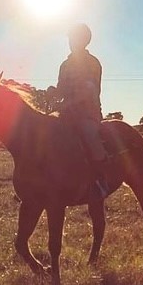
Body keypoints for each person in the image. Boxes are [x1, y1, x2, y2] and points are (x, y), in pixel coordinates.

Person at [50, 23, 113, 198]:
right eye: (70, 38)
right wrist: (53, 92)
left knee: (89, 134)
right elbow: (61, 89)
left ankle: (101, 180)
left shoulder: (93, 63)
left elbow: (91, 90)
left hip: (87, 113)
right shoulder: (65, 65)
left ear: (85, 40)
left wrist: (70, 103)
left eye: (75, 38)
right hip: (66, 114)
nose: (71, 41)